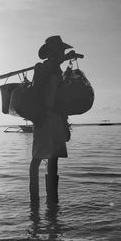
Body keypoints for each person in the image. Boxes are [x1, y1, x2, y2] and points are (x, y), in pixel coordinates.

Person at [29, 36, 72, 204]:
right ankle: (52, 204)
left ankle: (35, 203)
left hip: (40, 119)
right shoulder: (53, 71)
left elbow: (56, 63)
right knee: (51, 160)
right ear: (55, 52)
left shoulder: (43, 68)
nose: (63, 52)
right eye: (61, 50)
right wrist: (62, 118)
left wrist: (66, 59)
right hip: (50, 119)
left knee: (37, 160)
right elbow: (50, 98)